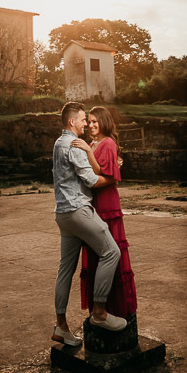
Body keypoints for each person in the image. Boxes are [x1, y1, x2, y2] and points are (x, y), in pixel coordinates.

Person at [52, 101, 128, 346]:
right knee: (111, 252)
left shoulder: (57, 143)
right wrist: (114, 174)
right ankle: (99, 313)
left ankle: (61, 325)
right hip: (78, 211)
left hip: (62, 214)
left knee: (65, 269)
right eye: (84, 120)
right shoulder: (74, 145)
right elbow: (93, 180)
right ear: (73, 121)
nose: (86, 124)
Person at [73, 106, 137, 320]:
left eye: (95, 121)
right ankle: (99, 306)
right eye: (89, 122)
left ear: (104, 122)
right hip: (95, 204)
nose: (91, 125)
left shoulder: (107, 143)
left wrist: (89, 152)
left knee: (110, 253)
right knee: (97, 256)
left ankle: (116, 307)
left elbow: (104, 173)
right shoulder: (93, 143)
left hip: (107, 204)